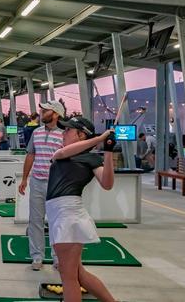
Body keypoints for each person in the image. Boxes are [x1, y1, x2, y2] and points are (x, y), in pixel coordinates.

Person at [46, 116, 117, 302]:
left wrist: (108, 152)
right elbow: (61, 154)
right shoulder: (63, 152)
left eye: (68, 130)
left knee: (68, 276)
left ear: (81, 135)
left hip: (67, 213)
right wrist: (99, 139)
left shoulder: (91, 158)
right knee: (78, 274)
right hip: (59, 214)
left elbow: (107, 183)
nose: (63, 133)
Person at [18, 100, 65, 271]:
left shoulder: (64, 135)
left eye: (45, 111)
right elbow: (30, 155)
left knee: (56, 222)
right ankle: (37, 256)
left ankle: (57, 257)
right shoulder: (36, 132)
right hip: (37, 182)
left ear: (55, 114)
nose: (41, 113)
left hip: (56, 184)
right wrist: (24, 179)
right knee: (35, 221)